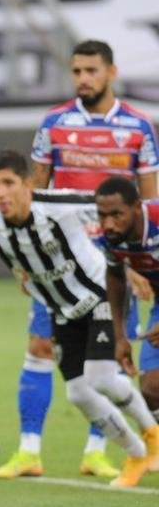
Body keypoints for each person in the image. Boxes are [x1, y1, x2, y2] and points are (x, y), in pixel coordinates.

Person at [0, 150, 159, 488]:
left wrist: (134, 262)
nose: (0, 192)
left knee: (100, 378)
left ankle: (152, 434)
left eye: (8, 183)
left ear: (27, 184)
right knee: (78, 394)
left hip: (99, 294)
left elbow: (122, 213)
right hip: (62, 310)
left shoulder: (64, 205)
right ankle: (136, 453)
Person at [11, 39, 159, 479]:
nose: (83, 79)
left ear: (111, 73)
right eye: (76, 71)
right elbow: (35, 191)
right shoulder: (55, 122)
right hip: (59, 257)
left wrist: (139, 263)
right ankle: (28, 451)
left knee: (109, 361)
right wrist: (27, 255)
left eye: (91, 70)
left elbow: (149, 200)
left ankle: (97, 450)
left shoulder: (138, 126)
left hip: (114, 256)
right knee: (40, 346)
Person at [92, 176, 159, 436]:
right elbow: (116, 277)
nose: (108, 223)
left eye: (117, 214)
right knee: (152, 389)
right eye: (102, 215)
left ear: (137, 206)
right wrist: (119, 336)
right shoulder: (110, 237)